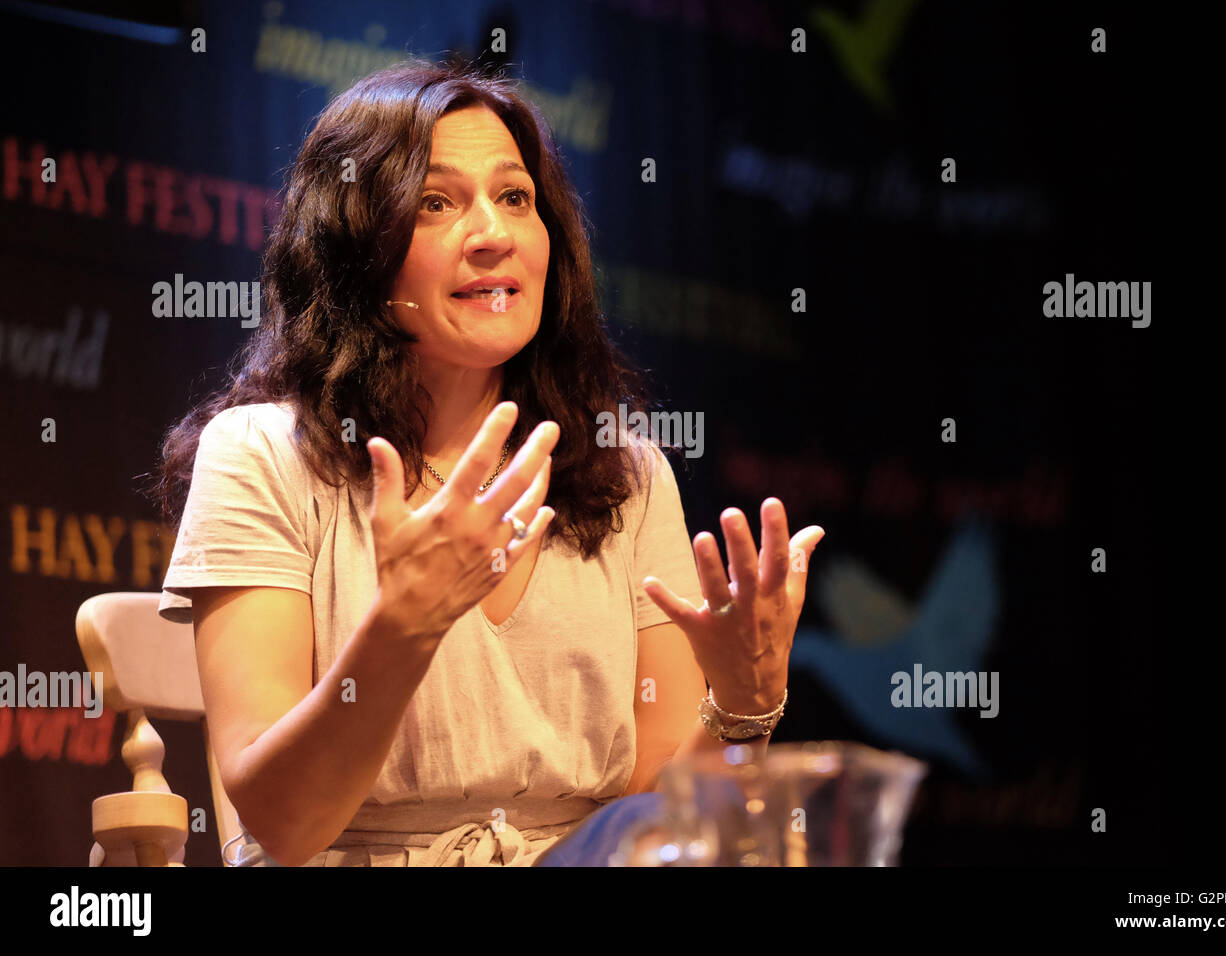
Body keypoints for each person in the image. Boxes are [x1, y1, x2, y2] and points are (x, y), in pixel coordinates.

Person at [150, 57, 824, 867]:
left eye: (514, 198)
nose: (494, 234)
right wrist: (403, 628)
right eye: (436, 202)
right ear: (356, 246)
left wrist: (745, 705)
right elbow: (285, 825)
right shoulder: (262, 456)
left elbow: (660, 817)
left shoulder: (626, 475)